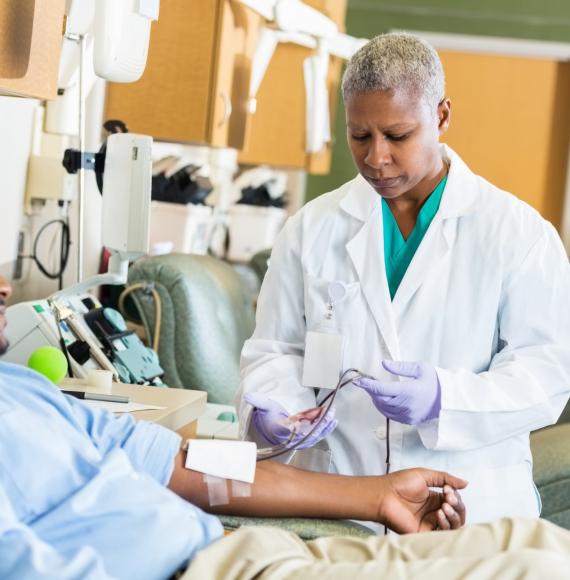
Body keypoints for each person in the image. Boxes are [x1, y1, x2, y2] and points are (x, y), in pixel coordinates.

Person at [236, 32, 570, 525]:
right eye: (359, 135)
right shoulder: (311, 228)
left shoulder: (516, 233)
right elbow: (277, 350)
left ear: (441, 116)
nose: (376, 158)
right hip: (338, 499)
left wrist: (444, 398)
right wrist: (273, 411)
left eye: (397, 136)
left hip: (470, 504)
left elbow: (546, 374)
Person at [0, 274, 467, 579]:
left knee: (533, 549)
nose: (5, 286)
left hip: (239, 558)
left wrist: (378, 495)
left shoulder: (21, 387)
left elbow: (185, 465)